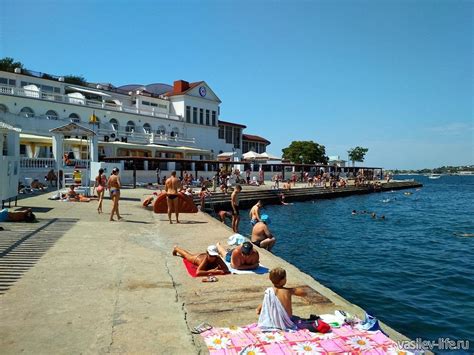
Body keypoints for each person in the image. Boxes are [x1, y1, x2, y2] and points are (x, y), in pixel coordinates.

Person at [256, 267, 329, 333]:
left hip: (273, 322)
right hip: (287, 321)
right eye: (285, 278)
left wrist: (260, 310)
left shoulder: (269, 291)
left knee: (296, 318)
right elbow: (303, 293)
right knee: (299, 320)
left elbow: (261, 308)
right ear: (282, 281)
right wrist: (292, 290)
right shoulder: (288, 291)